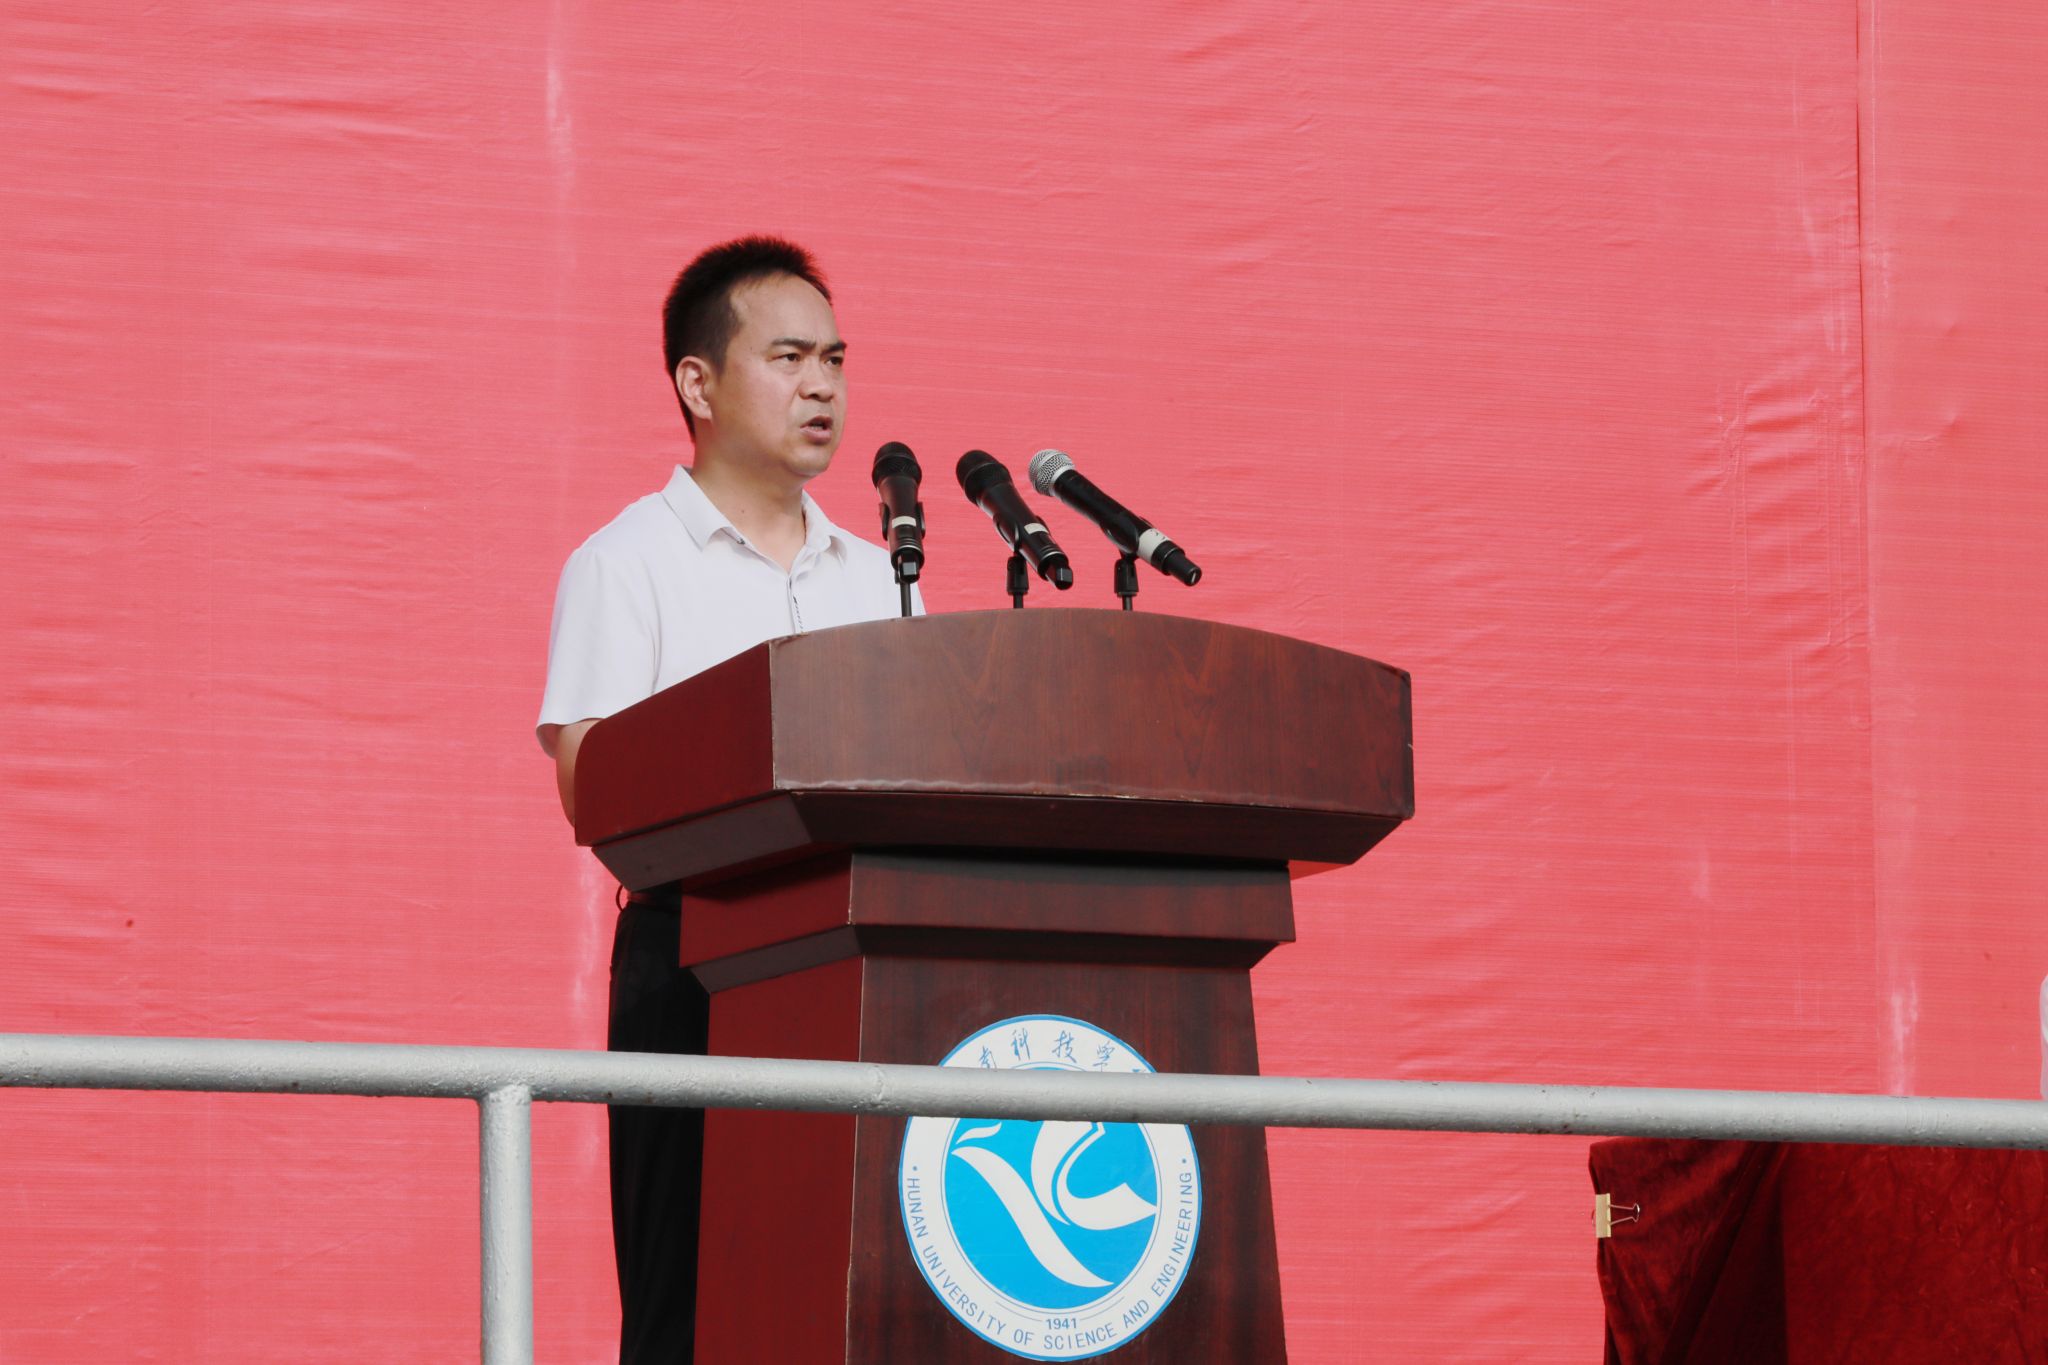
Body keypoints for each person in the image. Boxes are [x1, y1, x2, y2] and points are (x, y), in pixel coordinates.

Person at [536, 236, 913, 1363]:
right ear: (697, 384)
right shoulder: (628, 562)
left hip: (865, 965)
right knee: (689, 1305)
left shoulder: (879, 575)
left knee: (854, 1296)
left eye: (834, 361)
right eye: (788, 358)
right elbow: (593, 792)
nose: (821, 387)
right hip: (696, 963)